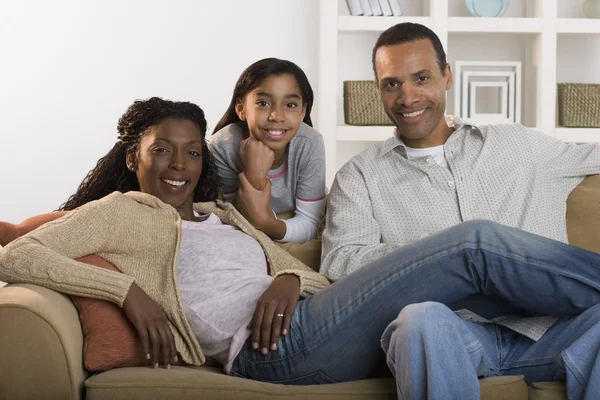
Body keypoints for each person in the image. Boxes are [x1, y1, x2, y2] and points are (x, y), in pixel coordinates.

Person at [2, 98, 600, 400]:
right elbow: (16, 255)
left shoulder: (223, 214)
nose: (178, 165)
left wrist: (290, 280)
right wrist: (126, 290)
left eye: (190, 152)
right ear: (136, 156)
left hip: (314, 321)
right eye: (162, 149)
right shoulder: (118, 213)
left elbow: (301, 272)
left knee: (478, 272)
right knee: (472, 245)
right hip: (272, 352)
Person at [321, 22, 600, 399]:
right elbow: (342, 262)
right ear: (378, 90)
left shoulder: (514, 143)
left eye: (421, 78)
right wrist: (445, 257)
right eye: (392, 84)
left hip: (549, 332)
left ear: (447, 76)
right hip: (451, 334)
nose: (407, 97)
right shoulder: (359, 176)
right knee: (418, 322)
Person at [209, 58, 326, 244]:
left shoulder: (310, 143)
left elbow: (310, 224)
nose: (276, 116)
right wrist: (254, 176)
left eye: (290, 105)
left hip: (293, 227)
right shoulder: (223, 146)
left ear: (303, 112)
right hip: (248, 227)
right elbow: (238, 219)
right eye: (263, 103)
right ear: (241, 109)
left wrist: (266, 222)